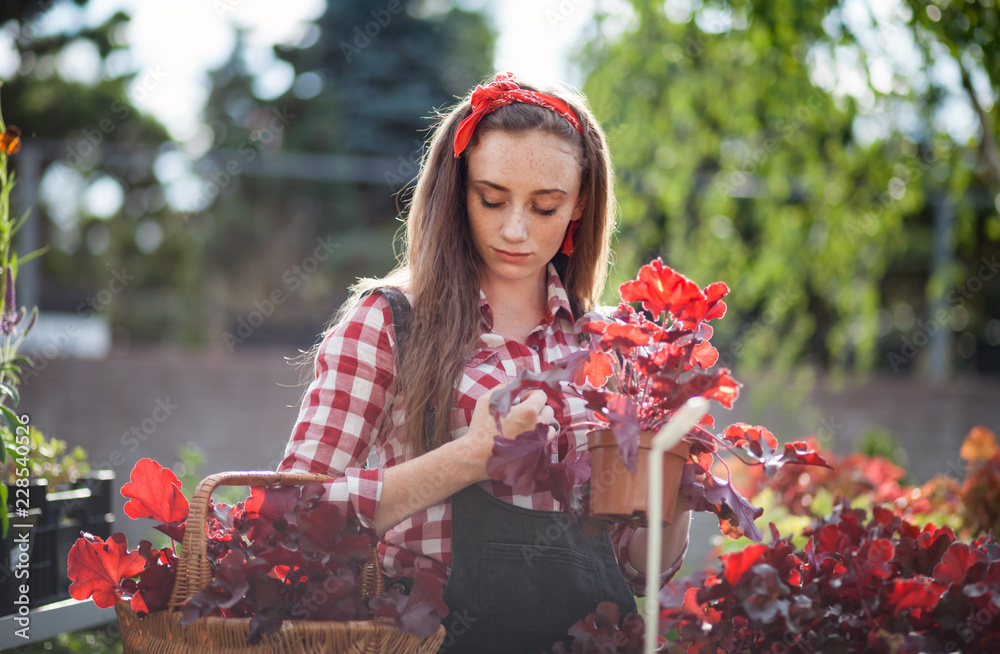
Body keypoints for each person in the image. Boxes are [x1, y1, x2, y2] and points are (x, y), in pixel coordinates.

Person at [278, 71, 690, 653]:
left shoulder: (610, 346)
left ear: (578, 208)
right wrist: (468, 458)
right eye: (491, 199)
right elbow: (287, 520)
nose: (515, 229)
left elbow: (634, 571)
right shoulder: (391, 321)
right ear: (458, 191)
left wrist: (675, 491)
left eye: (545, 207)